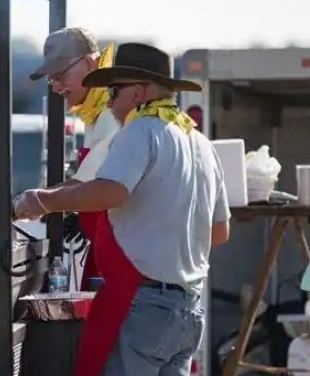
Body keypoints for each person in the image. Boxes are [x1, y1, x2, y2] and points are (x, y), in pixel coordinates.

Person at [15, 43, 231, 375]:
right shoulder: (201, 143)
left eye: (114, 91)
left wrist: (44, 201)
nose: (110, 101)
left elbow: (110, 192)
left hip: (143, 305)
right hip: (189, 309)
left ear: (138, 92)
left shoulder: (141, 129)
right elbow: (219, 233)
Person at [29, 27, 134, 292]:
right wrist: (78, 214)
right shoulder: (95, 113)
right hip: (106, 250)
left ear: (89, 64)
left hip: (126, 261)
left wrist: (31, 202)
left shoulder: (113, 115)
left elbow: (85, 184)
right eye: (51, 79)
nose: (55, 86)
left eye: (60, 75)